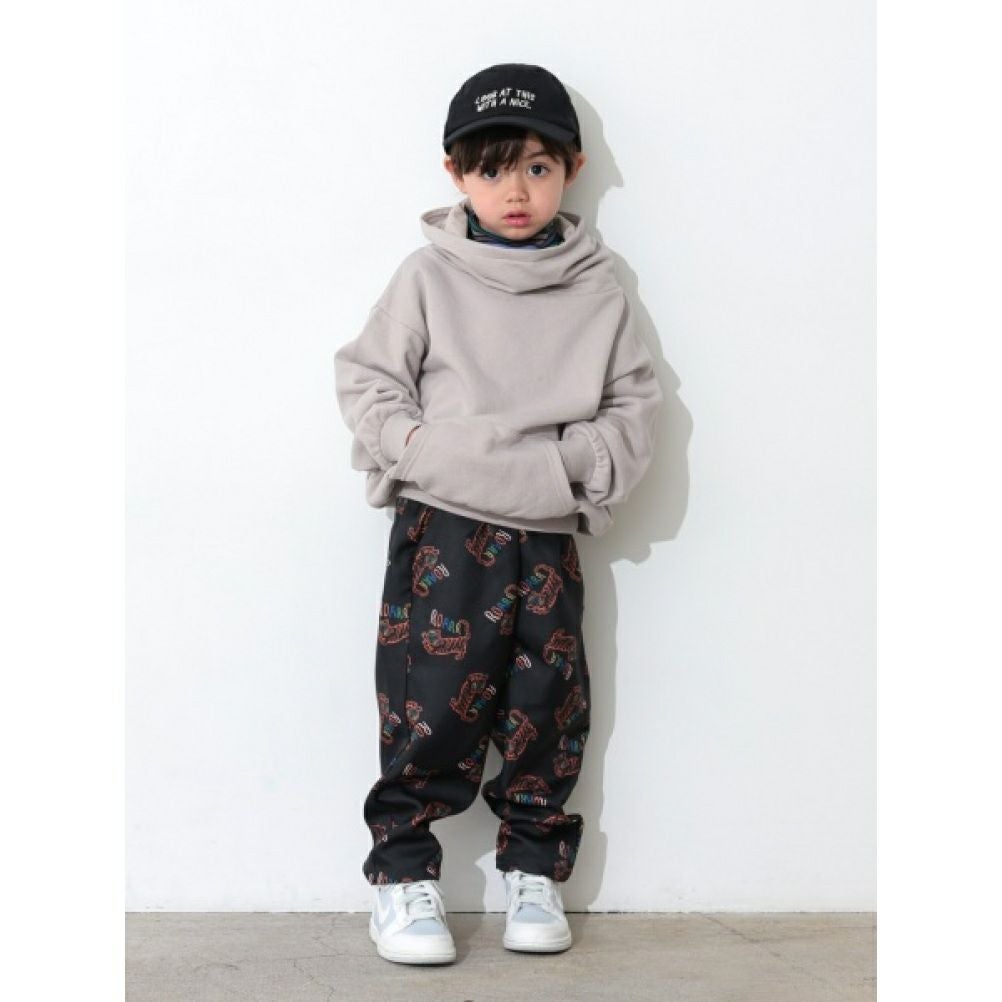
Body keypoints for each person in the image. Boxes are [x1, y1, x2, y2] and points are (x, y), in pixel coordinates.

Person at [334, 62, 663, 965]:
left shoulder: (598, 290)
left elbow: (634, 407)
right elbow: (368, 380)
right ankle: (403, 876)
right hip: (444, 527)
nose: (514, 191)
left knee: (546, 706)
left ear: (573, 169)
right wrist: (419, 452)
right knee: (428, 708)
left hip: (545, 536)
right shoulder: (426, 278)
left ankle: (533, 872)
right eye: (490, 169)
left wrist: (565, 468)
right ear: (455, 173)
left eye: (537, 168)